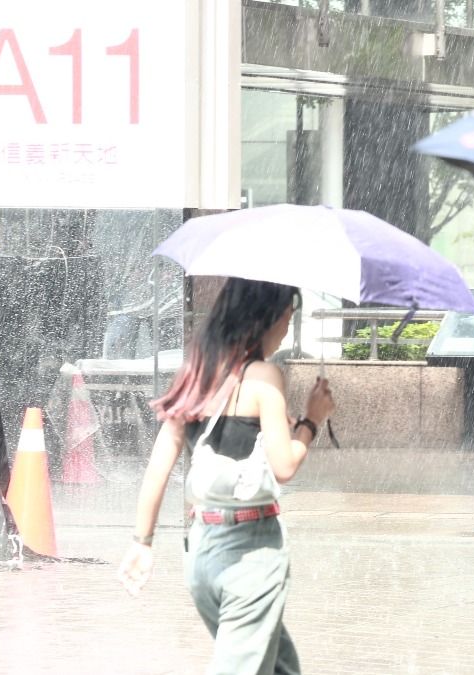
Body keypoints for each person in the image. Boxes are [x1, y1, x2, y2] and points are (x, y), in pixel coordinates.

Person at [117, 278, 335, 675]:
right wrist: (312, 421)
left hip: (202, 553)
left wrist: (142, 541)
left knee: (281, 666)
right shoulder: (266, 377)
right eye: (287, 316)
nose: (288, 326)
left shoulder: (198, 371)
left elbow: (161, 461)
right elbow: (285, 466)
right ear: (265, 318)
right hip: (250, 555)